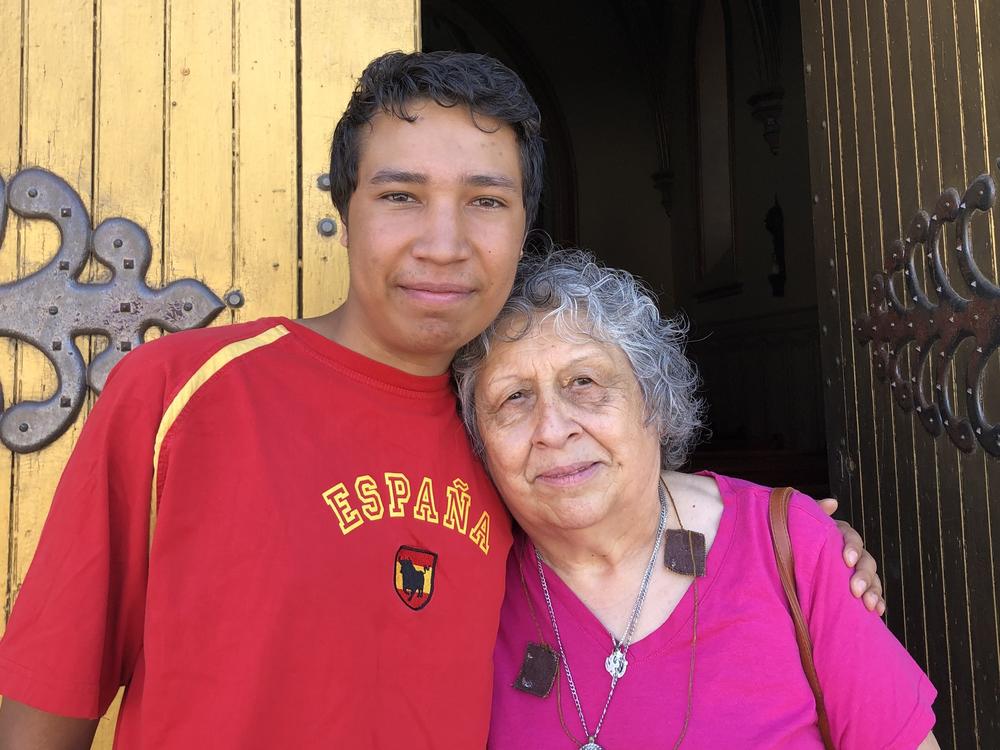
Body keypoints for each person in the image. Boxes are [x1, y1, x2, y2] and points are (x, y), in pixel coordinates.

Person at [0, 52, 882, 749]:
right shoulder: (179, 395)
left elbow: (624, 521)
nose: (444, 243)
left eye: (485, 201)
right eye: (400, 196)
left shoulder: (507, 439)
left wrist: (813, 553)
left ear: (523, 223)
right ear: (346, 207)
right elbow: (45, 704)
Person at [452, 248, 937, 749]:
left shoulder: (786, 545)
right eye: (514, 397)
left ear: (654, 405)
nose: (552, 429)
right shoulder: (467, 585)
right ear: (480, 443)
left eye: (584, 382)